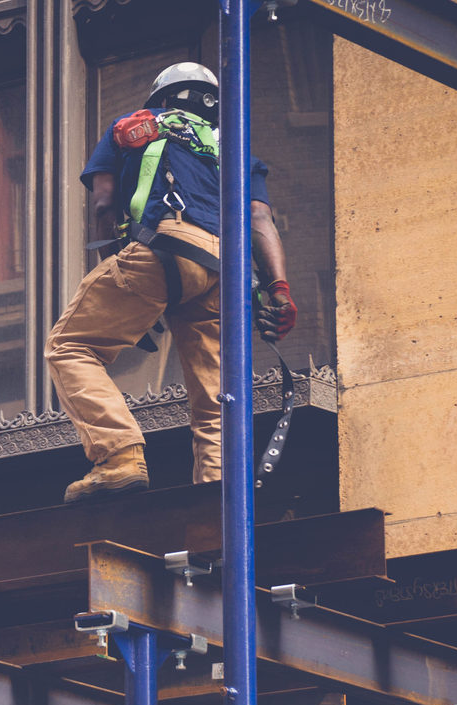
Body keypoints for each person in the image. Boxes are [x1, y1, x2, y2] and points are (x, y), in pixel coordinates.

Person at [45, 62, 297, 504]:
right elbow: (259, 217)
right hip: (227, 274)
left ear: (161, 99)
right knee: (216, 401)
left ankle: (119, 456)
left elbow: (105, 204)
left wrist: (123, 274)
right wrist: (279, 289)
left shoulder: (133, 126)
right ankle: (216, 502)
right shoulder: (233, 147)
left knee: (69, 346)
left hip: (167, 247)